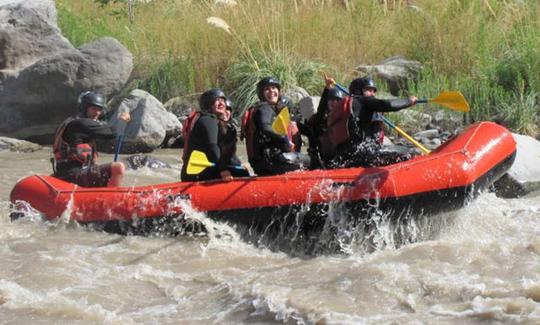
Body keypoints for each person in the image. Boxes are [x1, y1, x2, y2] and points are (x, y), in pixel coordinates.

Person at [310, 75, 418, 168]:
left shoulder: (351, 106)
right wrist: (409, 101)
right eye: (369, 90)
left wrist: (327, 89)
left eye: (374, 90)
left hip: (347, 158)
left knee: (394, 150)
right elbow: (388, 105)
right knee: (408, 155)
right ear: (359, 91)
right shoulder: (362, 101)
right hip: (362, 156)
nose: (372, 94)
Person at [51, 91, 131, 187]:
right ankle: (114, 198)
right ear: (84, 108)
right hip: (73, 175)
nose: (97, 113)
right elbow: (112, 133)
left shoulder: (72, 122)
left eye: (99, 109)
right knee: (118, 167)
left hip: (65, 173)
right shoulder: (82, 124)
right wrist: (122, 120)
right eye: (93, 109)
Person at [242, 76, 309, 176]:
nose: (271, 91)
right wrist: (284, 138)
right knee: (313, 161)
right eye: (267, 89)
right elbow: (265, 128)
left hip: (266, 162)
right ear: (262, 94)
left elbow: (301, 128)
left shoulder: (275, 112)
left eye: (274, 88)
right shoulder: (264, 108)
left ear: (278, 91)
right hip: (271, 161)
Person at [180, 88, 249, 182]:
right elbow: (212, 147)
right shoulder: (207, 120)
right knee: (241, 174)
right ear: (208, 104)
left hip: (205, 171)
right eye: (217, 100)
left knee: (242, 173)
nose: (221, 103)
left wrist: (238, 164)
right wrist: (223, 170)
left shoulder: (214, 121)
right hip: (198, 175)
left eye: (222, 100)